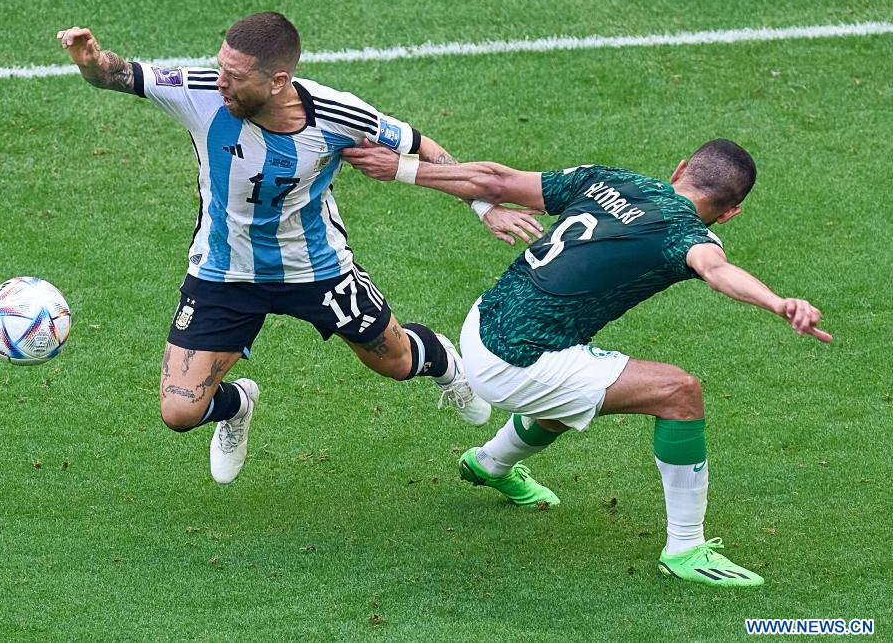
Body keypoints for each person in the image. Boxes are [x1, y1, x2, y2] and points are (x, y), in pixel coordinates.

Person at [56, 12, 544, 484]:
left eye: (235, 76)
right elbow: (117, 75)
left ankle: (441, 359)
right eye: (221, 67)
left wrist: (484, 206)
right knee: (180, 411)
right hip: (225, 271)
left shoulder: (338, 114)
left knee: (394, 363)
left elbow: (424, 148)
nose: (221, 82)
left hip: (318, 270)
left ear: (278, 81)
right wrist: (91, 61)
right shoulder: (200, 92)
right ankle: (238, 405)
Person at [342, 138, 831, 587]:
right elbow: (717, 270)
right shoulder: (687, 234)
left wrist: (400, 168)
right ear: (731, 213)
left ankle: (490, 463)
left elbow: (494, 179)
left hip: (482, 321)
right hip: (517, 360)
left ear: (680, 169)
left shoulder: (607, 178)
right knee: (679, 392)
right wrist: (778, 303)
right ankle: (686, 547)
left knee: (574, 391)